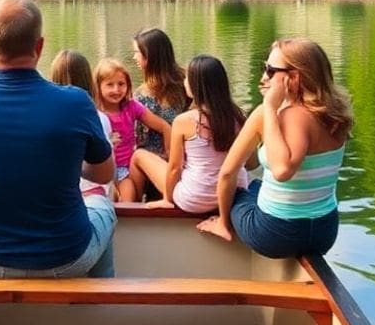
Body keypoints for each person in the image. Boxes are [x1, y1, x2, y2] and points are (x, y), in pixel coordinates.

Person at [0, 0, 116, 277]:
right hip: (69, 258)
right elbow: (104, 175)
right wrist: (62, 159)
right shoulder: (77, 102)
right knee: (102, 205)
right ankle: (100, 299)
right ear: (40, 46)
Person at [196, 39, 353, 258]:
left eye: (270, 71)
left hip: (275, 235)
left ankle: (222, 224)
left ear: (294, 77)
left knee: (242, 190)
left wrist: (269, 107)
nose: (263, 78)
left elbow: (231, 173)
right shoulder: (336, 114)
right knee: (257, 184)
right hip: (324, 232)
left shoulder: (274, 115)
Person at [130, 54, 251, 214]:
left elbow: (174, 168)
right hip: (234, 194)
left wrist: (167, 199)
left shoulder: (184, 121)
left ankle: (132, 209)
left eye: (187, 78)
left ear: (196, 85)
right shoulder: (239, 118)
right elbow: (251, 164)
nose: (184, 82)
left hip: (196, 198)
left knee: (139, 155)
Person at [93, 57, 171, 202]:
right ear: (98, 86)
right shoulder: (94, 112)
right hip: (101, 169)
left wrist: (169, 154)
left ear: (128, 85)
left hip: (125, 169)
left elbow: (163, 126)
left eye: (121, 84)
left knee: (128, 197)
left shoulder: (131, 107)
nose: (116, 90)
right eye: (110, 85)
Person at [50, 49, 113, 197]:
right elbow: (107, 174)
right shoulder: (99, 118)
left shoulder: (47, 118)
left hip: (61, 193)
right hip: (93, 194)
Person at [132, 29, 189, 166]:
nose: (134, 57)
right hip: (160, 161)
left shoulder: (186, 86)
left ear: (149, 56)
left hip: (174, 160)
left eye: (136, 52)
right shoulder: (140, 94)